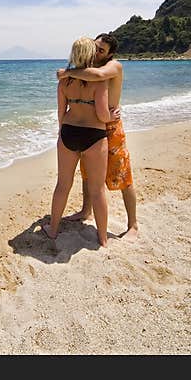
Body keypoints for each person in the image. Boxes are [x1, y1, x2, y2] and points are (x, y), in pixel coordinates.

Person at [56, 33, 139, 241]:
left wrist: (67, 71)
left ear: (110, 54)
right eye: (95, 47)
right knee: (87, 174)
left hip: (110, 126)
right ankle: (86, 211)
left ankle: (133, 224)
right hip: (93, 127)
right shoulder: (86, 71)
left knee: (122, 174)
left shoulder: (113, 67)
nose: (96, 52)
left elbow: (99, 77)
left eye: (101, 50)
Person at [42, 37, 112, 247]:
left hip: (69, 133)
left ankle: (53, 230)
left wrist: (62, 133)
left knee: (63, 185)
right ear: (91, 55)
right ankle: (102, 238)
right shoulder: (99, 81)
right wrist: (112, 116)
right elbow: (102, 115)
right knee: (97, 189)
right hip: (94, 135)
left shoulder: (64, 81)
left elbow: (61, 113)